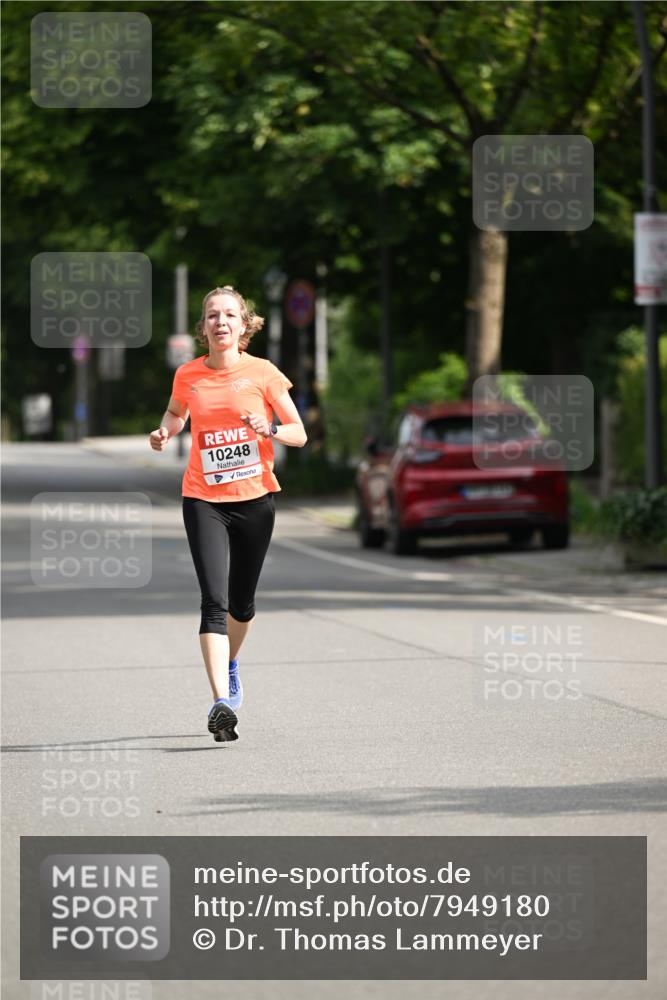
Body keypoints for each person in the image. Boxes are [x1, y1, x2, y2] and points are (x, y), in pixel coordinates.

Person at [149, 285, 307, 742]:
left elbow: (299, 432)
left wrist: (271, 428)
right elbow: (176, 414)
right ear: (204, 328)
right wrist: (164, 431)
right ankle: (221, 701)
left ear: (244, 325)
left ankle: (231, 664)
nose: (221, 322)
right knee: (213, 602)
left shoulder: (263, 373)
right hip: (203, 499)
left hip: (255, 499)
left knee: (242, 604)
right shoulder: (188, 375)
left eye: (230, 315)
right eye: (213, 316)